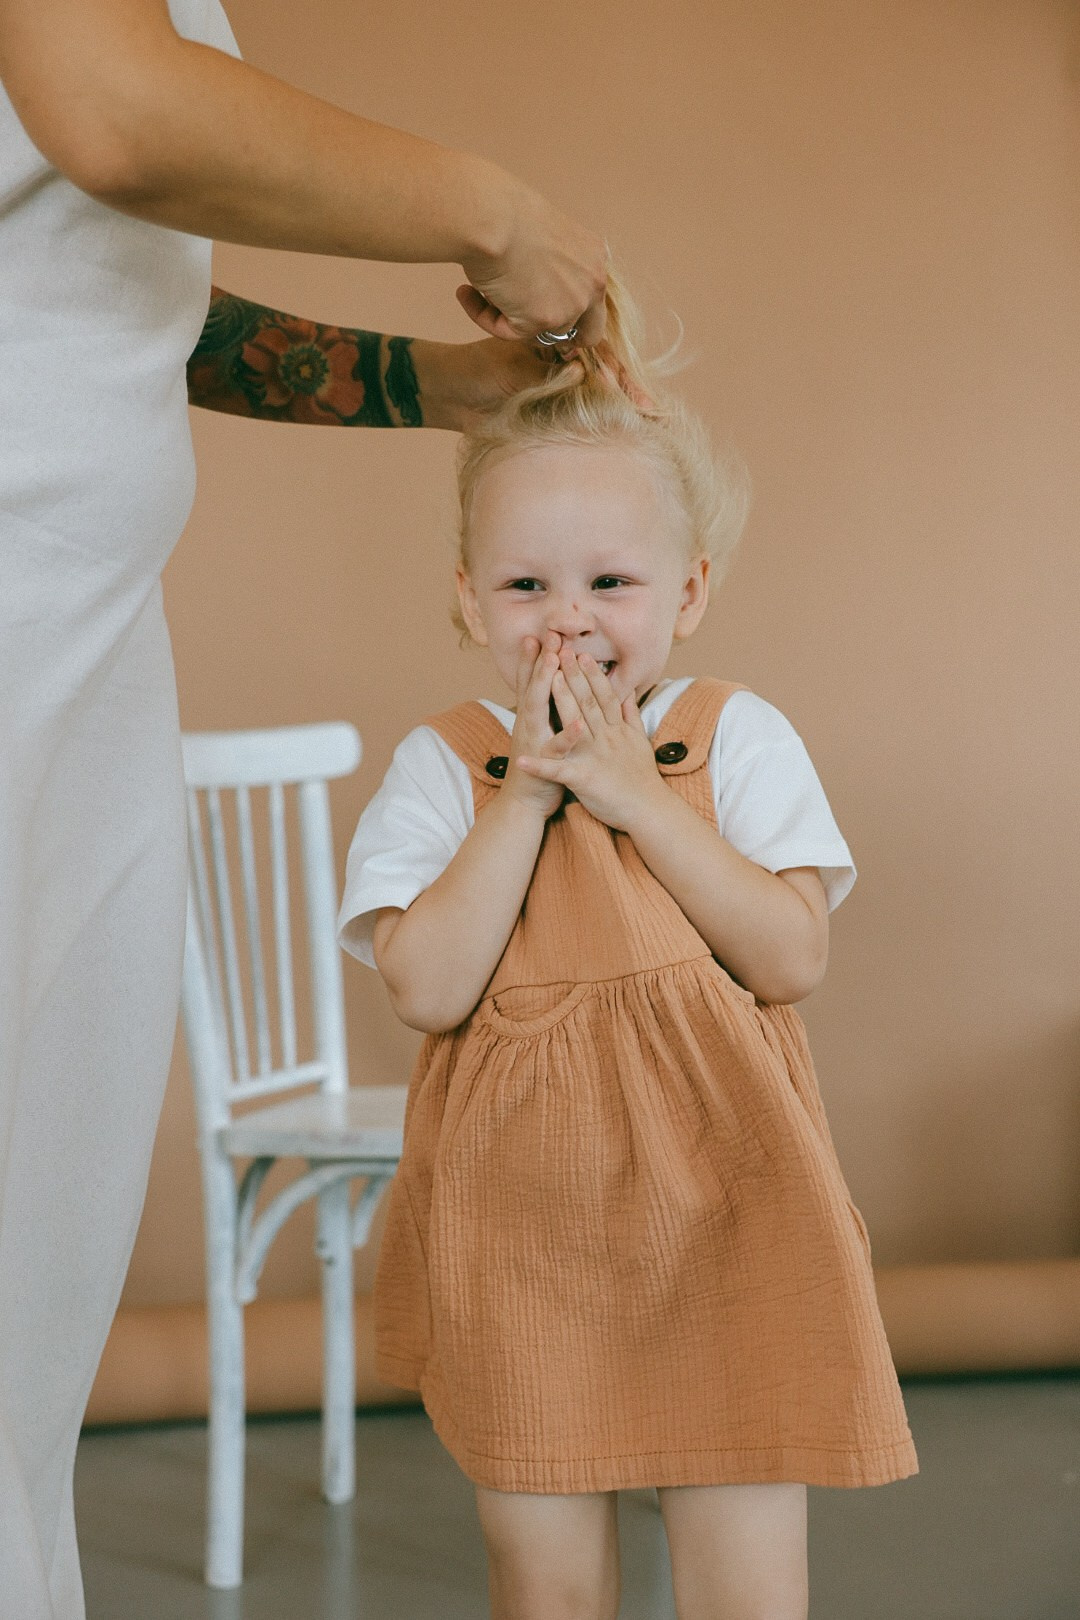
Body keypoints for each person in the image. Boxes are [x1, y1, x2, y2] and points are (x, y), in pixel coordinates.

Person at [0, 1, 605, 1615]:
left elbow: (116, 288)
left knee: (25, 1318)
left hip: (78, 630)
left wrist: (446, 386)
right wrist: (499, 214)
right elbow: (112, 111)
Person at [338, 277, 918, 1620]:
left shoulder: (734, 736)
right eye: (526, 583)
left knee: (747, 1580)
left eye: (611, 582)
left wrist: (636, 796)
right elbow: (426, 984)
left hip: (727, 1210)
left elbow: (789, 957)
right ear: (468, 599)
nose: (569, 617)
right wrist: (533, 791)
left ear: (690, 591)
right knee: (543, 1581)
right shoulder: (448, 765)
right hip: (524, 1233)